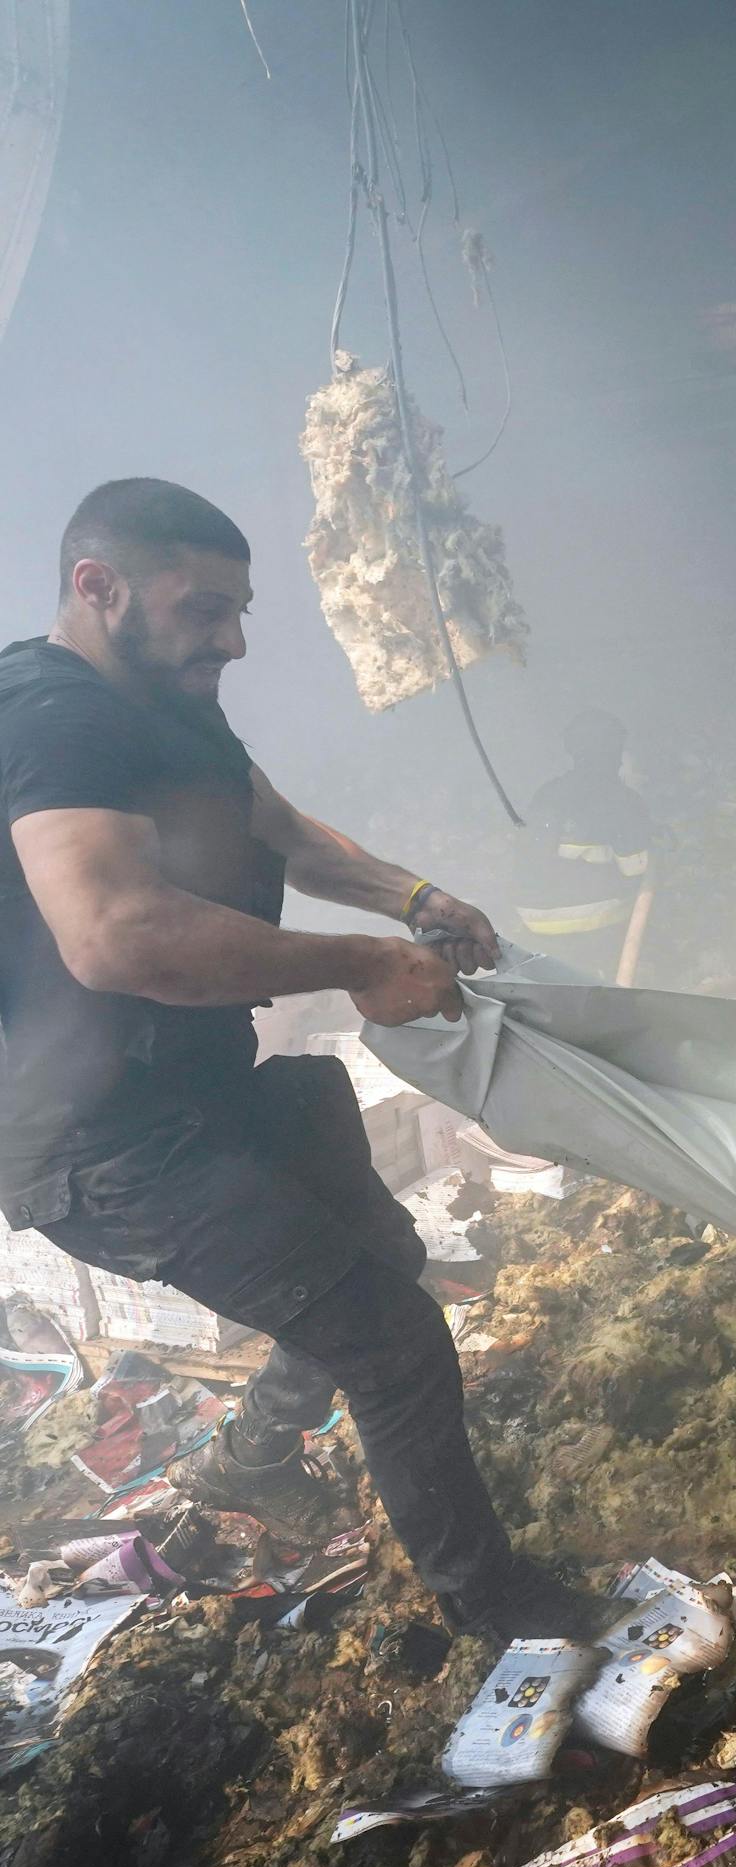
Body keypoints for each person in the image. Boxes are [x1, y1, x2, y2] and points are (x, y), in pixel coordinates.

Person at [0, 479, 598, 1639]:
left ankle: (251, 1458)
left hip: (201, 1092)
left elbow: (274, 828)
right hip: (104, 1148)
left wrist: (410, 898)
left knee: (384, 1253)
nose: (231, 640)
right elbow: (117, 933)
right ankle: (496, 1605)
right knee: (394, 1339)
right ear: (97, 585)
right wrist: (359, 961)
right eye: (202, 608)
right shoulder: (52, 717)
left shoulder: (167, 703)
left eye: (239, 612)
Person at [513, 708, 657, 982]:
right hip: (593, 922)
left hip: (532, 921)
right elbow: (637, 869)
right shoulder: (622, 798)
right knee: (650, 905)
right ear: (615, 750)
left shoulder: (548, 792)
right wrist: (649, 836)